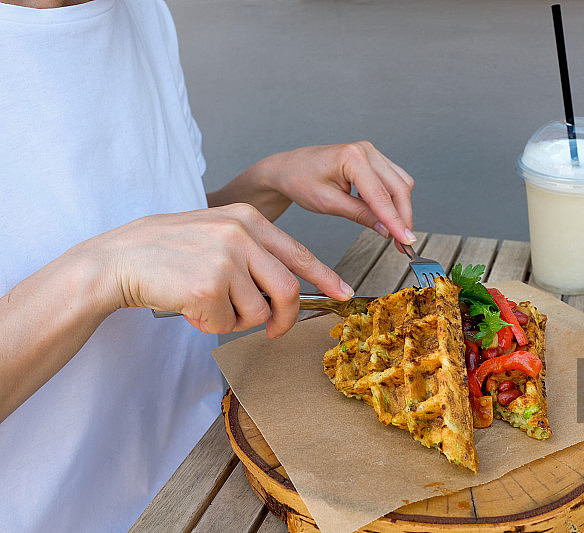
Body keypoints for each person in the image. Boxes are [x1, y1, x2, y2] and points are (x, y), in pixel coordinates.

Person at [0, 0, 415, 531]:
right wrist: (103, 270)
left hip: (210, 478)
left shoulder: (143, 12)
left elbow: (169, 245)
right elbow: (127, 255)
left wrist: (267, 183)